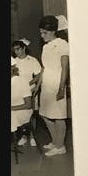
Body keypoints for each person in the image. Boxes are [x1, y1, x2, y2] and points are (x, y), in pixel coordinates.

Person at [36, 14, 71, 157]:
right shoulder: (46, 47)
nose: (42, 35)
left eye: (44, 33)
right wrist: (38, 84)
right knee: (44, 114)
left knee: (58, 116)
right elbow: (44, 68)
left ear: (52, 31)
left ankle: (60, 146)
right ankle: (55, 141)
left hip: (57, 83)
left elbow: (65, 68)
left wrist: (61, 88)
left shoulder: (62, 44)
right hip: (46, 84)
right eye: (41, 33)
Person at [11, 39, 43, 147]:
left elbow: (38, 75)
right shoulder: (14, 62)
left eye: (18, 49)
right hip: (18, 92)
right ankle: (24, 136)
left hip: (30, 90)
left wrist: (30, 84)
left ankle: (32, 136)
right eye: (15, 50)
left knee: (32, 114)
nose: (16, 52)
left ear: (24, 48)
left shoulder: (32, 60)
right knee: (20, 114)